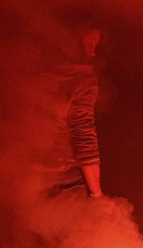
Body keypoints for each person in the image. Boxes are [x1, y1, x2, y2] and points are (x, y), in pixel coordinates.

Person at [43, 26, 104, 199]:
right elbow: (83, 136)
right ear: (71, 41)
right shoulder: (81, 79)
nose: (92, 54)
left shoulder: (33, 68)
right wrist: (97, 196)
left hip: (23, 182)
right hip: (64, 182)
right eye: (90, 44)